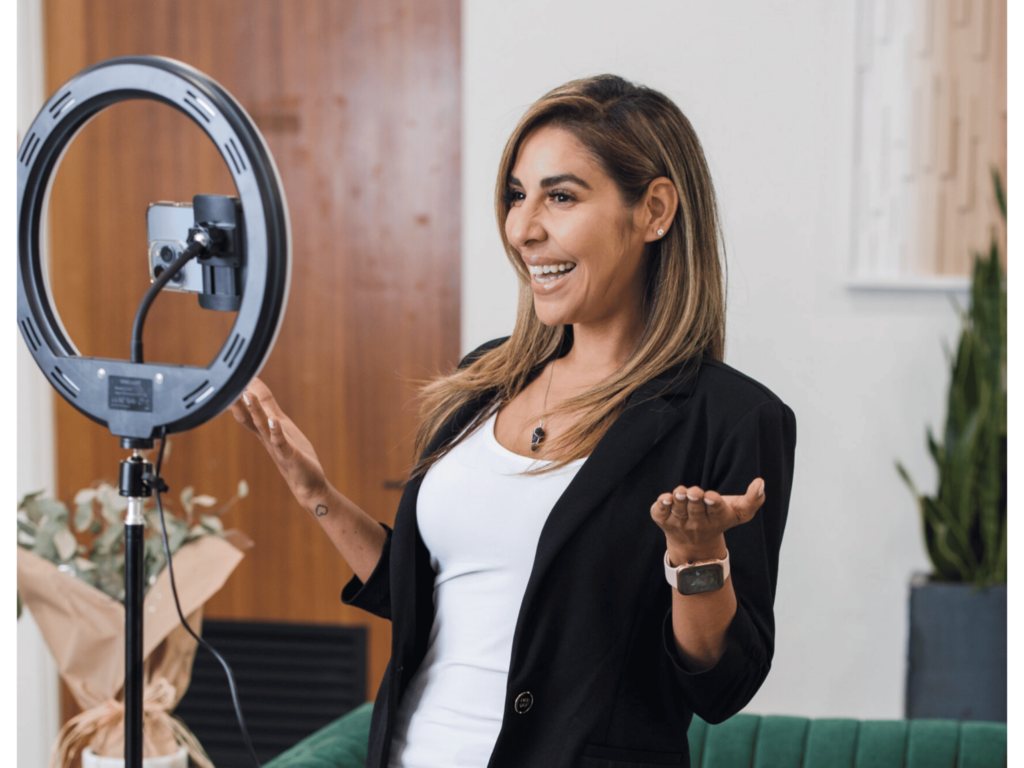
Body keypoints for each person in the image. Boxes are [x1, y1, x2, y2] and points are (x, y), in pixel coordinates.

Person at [231, 74, 797, 768]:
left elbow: (722, 683)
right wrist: (310, 485)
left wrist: (698, 562)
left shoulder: (731, 419)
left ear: (654, 210)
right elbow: (425, 598)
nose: (523, 228)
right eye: (516, 195)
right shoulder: (485, 381)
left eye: (560, 196)